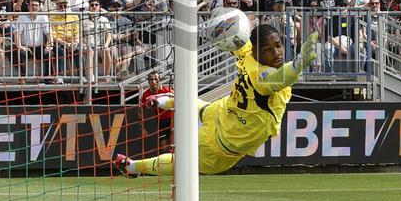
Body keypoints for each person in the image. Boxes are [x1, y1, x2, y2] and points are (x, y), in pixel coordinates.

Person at [115, 23, 320, 176]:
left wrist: (218, 9)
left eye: (278, 45)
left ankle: (164, 101)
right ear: (256, 51)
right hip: (224, 144)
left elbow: (235, 33)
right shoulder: (263, 77)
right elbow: (279, 78)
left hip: (225, 111)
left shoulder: (247, 53)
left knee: (199, 107)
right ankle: (133, 167)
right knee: (182, 163)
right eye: (268, 50)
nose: (276, 53)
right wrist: (299, 63)